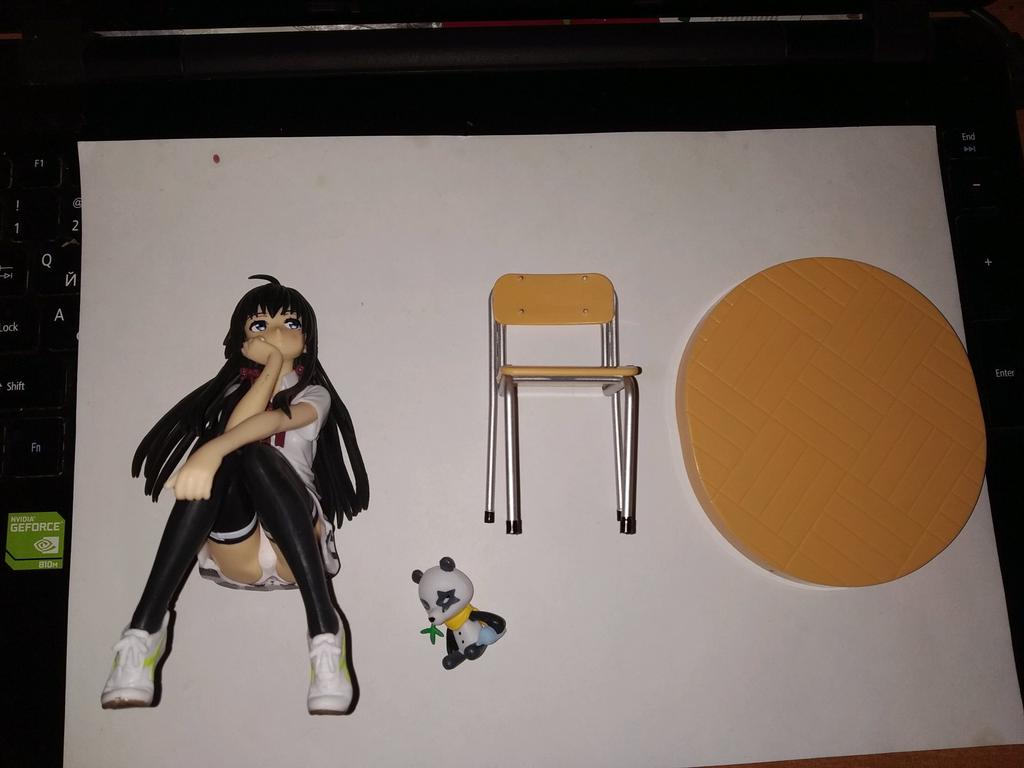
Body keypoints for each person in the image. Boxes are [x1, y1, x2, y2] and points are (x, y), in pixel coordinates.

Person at [100, 275, 369, 715]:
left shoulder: (314, 393)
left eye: (289, 324)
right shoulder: (234, 392)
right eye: (260, 326)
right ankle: (144, 631)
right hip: (239, 553)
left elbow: (273, 423)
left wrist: (208, 452)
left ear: (306, 340)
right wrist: (270, 368)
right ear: (242, 342)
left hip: (295, 541)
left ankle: (324, 629)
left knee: (253, 455)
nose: (275, 333)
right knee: (235, 454)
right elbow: (239, 428)